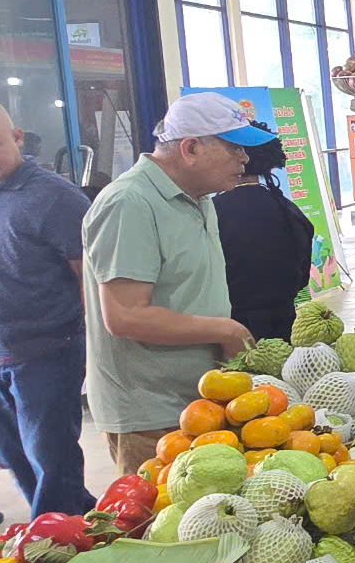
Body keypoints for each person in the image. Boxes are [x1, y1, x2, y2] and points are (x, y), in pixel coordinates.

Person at [83, 94, 265, 474]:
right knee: (163, 524)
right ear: (192, 148)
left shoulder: (200, 199)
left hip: (197, 400)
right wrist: (224, 330)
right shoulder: (129, 203)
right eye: (235, 148)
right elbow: (126, 316)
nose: (245, 159)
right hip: (150, 414)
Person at [0, 99, 95, 518]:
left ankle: (57, 552)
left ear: (17, 138)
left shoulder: (56, 197)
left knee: (52, 460)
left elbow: (91, 279)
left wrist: (94, 350)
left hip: (47, 352)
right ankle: (84, 527)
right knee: (16, 460)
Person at [213, 127, 315, 343]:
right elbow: (302, 273)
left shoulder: (211, 213)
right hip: (285, 323)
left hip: (229, 327)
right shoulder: (287, 209)